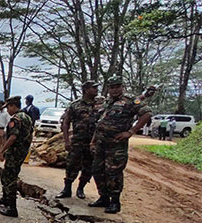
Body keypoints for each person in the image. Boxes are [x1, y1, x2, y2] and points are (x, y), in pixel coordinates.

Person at [89, 76, 152, 214]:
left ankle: (115, 202)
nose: (115, 89)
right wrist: (93, 141)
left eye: (117, 86)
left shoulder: (130, 101)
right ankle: (103, 197)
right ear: (108, 88)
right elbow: (100, 123)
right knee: (97, 170)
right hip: (101, 143)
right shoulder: (107, 102)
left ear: (122, 87)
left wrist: (131, 131)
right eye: (112, 87)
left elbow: (147, 113)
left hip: (116, 145)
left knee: (113, 172)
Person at [56, 81, 100, 199]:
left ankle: (81, 188)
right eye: (93, 88)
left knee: (88, 166)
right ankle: (67, 189)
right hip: (77, 140)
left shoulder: (100, 105)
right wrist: (66, 141)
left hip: (93, 142)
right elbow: (66, 123)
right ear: (86, 89)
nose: (96, 90)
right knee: (71, 164)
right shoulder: (75, 105)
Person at [0, 96, 33, 217]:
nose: (8, 110)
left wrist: (2, 150)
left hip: (15, 152)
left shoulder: (16, 119)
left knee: (10, 178)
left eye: (8, 107)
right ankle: (5, 199)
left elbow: (13, 137)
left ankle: (12, 208)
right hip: (22, 151)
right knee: (6, 175)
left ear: (14, 106)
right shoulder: (27, 117)